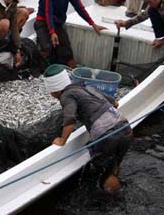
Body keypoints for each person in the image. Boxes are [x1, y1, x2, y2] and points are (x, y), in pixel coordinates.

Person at [44, 65, 133, 194]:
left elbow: (70, 120)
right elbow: (115, 103)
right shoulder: (88, 87)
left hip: (107, 136)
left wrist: (62, 140)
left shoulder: (67, 96)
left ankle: (115, 199)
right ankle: (117, 187)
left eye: (50, 92)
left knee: (103, 173)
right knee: (113, 166)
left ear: (55, 91)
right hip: (126, 128)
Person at [35, 0, 106, 68]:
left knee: (67, 53)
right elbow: (48, 12)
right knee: (47, 48)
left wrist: (92, 23)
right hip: (43, 23)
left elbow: (79, 8)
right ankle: (38, 68)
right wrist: (52, 32)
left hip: (58, 24)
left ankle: (70, 70)